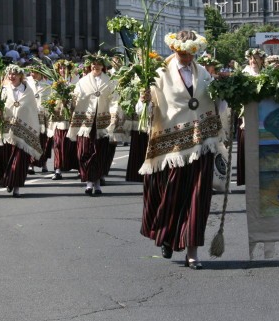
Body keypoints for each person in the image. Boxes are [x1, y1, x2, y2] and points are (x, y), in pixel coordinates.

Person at [139, 30, 225, 270]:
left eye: (190, 53)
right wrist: (143, 99)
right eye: (182, 53)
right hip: (172, 148)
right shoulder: (160, 73)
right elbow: (146, 106)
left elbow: (214, 102)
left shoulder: (204, 74)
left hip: (201, 145)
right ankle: (167, 235)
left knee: (198, 198)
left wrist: (224, 93)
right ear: (174, 50)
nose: (186, 57)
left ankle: (192, 251)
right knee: (171, 195)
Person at [67, 52, 118, 195]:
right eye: (93, 64)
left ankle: (95, 184)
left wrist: (113, 115)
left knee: (99, 153)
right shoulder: (82, 81)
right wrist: (68, 102)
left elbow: (114, 99)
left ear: (103, 66)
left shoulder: (110, 81)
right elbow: (76, 98)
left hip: (102, 123)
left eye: (99, 64)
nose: (96, 66)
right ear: (90, 65)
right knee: (84, 152)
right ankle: (90, 181)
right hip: (86, 123)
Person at [0, 64, 42, 197]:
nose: (12, 77)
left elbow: (31, 111)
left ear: (20, 76)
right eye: (10, 74)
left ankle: (16, 185)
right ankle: (8, 180)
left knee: (19, 159)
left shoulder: (28, 91)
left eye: (15, 74)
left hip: (22, 132)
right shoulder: (2, 89)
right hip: (6, 130)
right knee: (5, 157)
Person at [236, 48, 266, 186]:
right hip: (247, 115)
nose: (253, 61)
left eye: (256, 58)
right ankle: (248, 176)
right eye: (251, 58)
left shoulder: (266, 73)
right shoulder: (244, 73)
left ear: (261, 60)